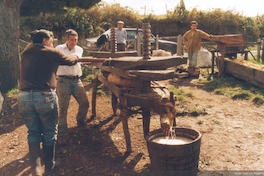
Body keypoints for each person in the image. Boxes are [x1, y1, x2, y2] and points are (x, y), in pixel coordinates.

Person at [18, 29, 78, 176]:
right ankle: (49, 167)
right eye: (51, 41)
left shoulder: (25, 53)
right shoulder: (52, 52)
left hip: (24, 96)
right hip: (45, 96)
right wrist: (76, 57)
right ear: (45, 41)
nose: (52, 44)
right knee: (50, 132)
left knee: (33, 132)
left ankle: (36, 170)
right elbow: (70, 61)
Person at [56, 29, 89, 144]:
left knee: (84, 102)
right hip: (63, 80)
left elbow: (73, 60)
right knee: (63, 107)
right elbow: (67, 60)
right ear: (66, 39)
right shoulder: (58, 49)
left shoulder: (79, 49)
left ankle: (80, 121)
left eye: (75, 40)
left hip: (76, 80)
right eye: (71, 40)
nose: (74, 42)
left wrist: (63, 59)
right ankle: (62, 131)